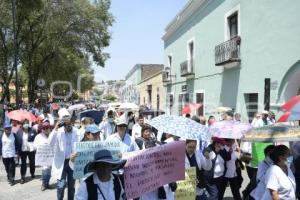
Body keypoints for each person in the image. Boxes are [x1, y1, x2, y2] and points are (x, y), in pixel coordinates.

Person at [48, 115, 80, 200]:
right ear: (63, 124)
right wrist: (55, 129)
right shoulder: (58, 132)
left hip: (72, 162)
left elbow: (80, 146)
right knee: (61, 186)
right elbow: (50, 143)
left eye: (70, 124)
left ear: (72, 123)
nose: (68, 126)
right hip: (62, 162)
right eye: (66, 124)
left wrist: (76, 153)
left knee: (71, 186)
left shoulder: (77, 131)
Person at [34, 121, 52, 191]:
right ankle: (44, 184)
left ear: (49, 128)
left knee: (49, 171)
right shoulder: (38, 136)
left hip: (51, 157)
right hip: (43, 157)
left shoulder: (52, 135)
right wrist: (41, 148)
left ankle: (47, 183)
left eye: (47, 128)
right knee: (45, 170)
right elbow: (35, 146)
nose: (46, 129)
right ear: (42, 129)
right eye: (44, 128)